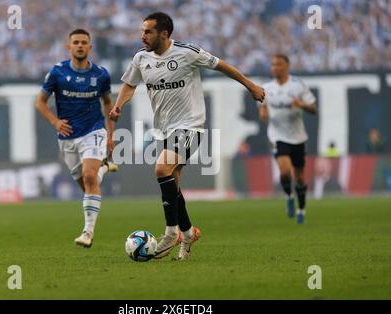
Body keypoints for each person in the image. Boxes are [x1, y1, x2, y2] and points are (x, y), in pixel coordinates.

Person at [109, 12, 264, 260]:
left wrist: (251, 85)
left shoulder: (186, 52)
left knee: (161, 169)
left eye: (148, 31)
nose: (142, 36)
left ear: (164, 33)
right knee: (174, 186)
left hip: (190, 126)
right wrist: (119, 106)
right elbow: (129, 85)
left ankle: (171, 233)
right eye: (142, 31)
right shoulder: (141, 58)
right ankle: (188, 233)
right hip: (165, 129)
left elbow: (222, 65)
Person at [36, 29, 117, 248]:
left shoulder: (100, 75)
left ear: (90, 47)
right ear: (69, 46)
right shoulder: (57, 72)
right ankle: (103, 169)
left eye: (84, 43)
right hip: (67, 136)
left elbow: (108, 104)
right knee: (86, 185)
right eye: (76, 42)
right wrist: (55, 122)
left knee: (89, 178)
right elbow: (40, 102)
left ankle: (87, 233)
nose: (80, 46)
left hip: (94, 130)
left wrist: (110, 134)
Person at [258, 54, 316, 224]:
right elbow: (262, 110)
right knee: (284, 172)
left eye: (279, 64)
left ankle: (302, 209)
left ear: (287, 66)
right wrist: (262, 113)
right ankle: (289, 196)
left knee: (299, 177)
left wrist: (303, 105)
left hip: (298, 137)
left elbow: (313, 108)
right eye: (273, 64)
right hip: (278, 136)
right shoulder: (266, 88)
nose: (275, 67)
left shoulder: (298, 86)